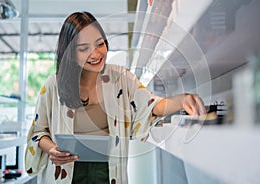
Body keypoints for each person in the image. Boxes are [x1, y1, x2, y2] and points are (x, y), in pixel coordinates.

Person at [25, 11, 206, 184]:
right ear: (70, 53)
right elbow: (38, 133)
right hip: (66, 174)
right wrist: (53, 150)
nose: (95, 54)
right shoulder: (54, 85)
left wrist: (181, 100)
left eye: (100, 44)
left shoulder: (121, 78)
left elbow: (151, 105)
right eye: (84, 48)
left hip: (108, 172)